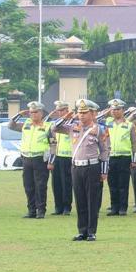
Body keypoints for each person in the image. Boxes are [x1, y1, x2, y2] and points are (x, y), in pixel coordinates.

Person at [54, 99, 109, 241]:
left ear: (92, 114)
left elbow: (104, 150)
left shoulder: (99, 129)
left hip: (92, 167)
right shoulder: (72, 127)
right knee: (80, 200)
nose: (82, 115)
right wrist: (65, 117)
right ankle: (82, 231)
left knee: (92, 200)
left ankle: (91, 231)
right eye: (80, 113)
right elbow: (54, 128)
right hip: (76, 166)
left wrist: (104, 171)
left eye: (85, 113)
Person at [9, 101, 55, 219]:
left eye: (35, 112)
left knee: (40, 186)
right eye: (31, 112)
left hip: (40, 159)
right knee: (28, 186)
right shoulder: (26, 125)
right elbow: (11, 126)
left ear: (41, 113)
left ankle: (41, 210)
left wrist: (51, 161)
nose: (33, 114)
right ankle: (31, 210)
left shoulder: (48, 126)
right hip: (27, 159)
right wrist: (19, 114)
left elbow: (53, 145)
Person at [102, 99, 136, 216]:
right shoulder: (108, 123)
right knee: (112, 183)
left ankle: (123, 208)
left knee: (123, 184)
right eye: (113, 109)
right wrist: (107, 111)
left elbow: (134, 143)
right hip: (111, 156)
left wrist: (134, 159)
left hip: (124, 157)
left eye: (118, 109)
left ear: (123, 110)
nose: (115, 111)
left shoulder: (129, 125)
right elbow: (98, 117)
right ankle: (114, 207)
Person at [49, 100, 74, 216]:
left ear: (67, 110)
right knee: (56, 183)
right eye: (58, 110)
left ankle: (67, 207)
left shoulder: (72, 122)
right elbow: (52, 142)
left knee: (66, 183)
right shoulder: (56, 124)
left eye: (62, 110)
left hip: (68, 157)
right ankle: (58, 207)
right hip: (57, 156)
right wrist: (51, 159)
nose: (59, 112)